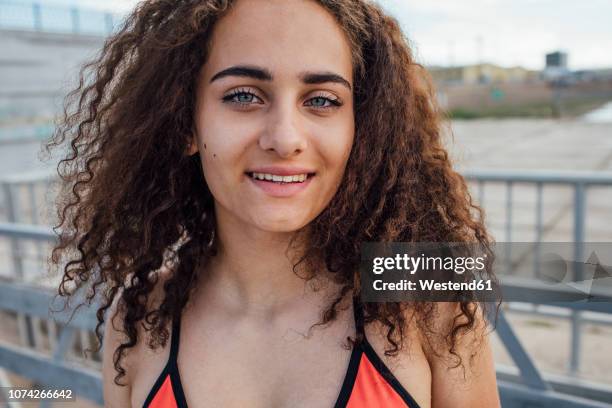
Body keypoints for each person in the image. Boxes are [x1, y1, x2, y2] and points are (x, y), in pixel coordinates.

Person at [47, 0, 501, 406]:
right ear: (186, 123)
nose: (285, 139)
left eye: (322, 100)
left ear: (361, 130)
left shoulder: (432, 296)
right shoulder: (138, 316)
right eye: (243, 95)